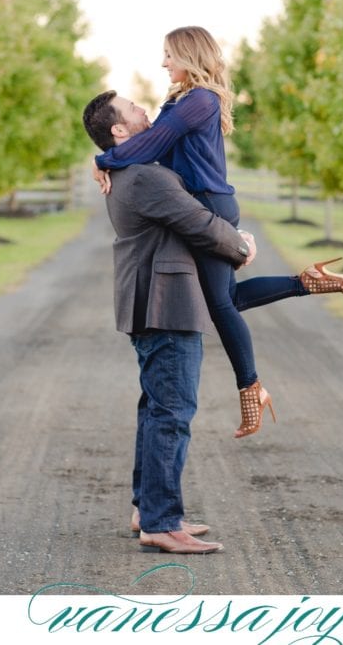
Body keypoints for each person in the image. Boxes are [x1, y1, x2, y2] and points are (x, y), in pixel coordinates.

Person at [91, 26, 343, 440]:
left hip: (209, 202)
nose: (163, 63)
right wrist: (108, 159)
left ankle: (251, 387)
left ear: (189, 55)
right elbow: (153, 149)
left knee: (220, 306)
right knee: (225, 298)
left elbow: (150, 147)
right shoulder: (181, 99)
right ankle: (308, 282)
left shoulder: (200, 100)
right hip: (203, 198)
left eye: (169, 55)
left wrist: (103, 158)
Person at [82, 90, 258, 554]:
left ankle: (148, 508)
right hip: (167, 304)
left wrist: (99, 160)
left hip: (151, 304)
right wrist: (242, 245)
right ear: (119, 130)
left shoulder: (126, 170)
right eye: (133, 108)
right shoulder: (144, 178)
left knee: (157, 410)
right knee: (173, 413)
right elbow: (199, 222)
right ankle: (161, 522)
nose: (144, 109)